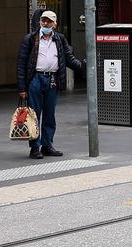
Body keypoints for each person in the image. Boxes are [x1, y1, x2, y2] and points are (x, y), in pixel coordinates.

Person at [16, 10, 85, 160]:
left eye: (49, 21)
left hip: (52, 79)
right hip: (35, 79)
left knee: (49, 115)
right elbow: (21, 64)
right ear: (40, 22)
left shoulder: (59, 39)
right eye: (43, 21)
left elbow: (68, 58)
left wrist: (84, 66)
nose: (46, 24)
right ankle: (35, 147)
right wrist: (22, 88)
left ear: (55, 24)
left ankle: (47, 145)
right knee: (34, 115)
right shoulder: (30, 39)